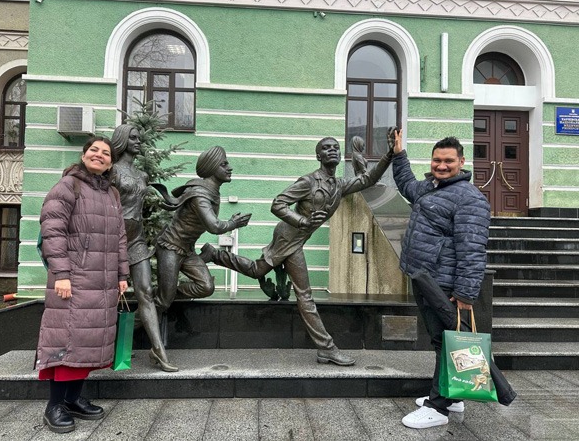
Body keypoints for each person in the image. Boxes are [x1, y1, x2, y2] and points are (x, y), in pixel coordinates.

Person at [200, 136, 393, 366]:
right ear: (318, 156)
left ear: (341, 155)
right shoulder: (308, 181)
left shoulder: (339, 185)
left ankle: (214, 254)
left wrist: (390, 153)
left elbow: (368, 179)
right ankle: (327, 349)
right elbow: (277, 204)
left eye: (335, 148)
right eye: (326, 148)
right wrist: (303, 221)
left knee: (257, 270)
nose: (332, 150)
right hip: (288, 237)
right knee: (304, 294)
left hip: (297, 239)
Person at [391, 130, 492, 429]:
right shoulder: (430, 188)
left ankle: (438, 407)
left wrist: (465, 293)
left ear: (462, 162)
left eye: (448, 160)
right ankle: (453, 396)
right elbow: (407, 185)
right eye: (437, 160)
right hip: (425, 278)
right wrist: (399, 155)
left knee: (447, 342)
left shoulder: (469, 198)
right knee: (442, 340)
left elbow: (472, 249)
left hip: (444, 284)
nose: (442, 165)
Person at [35, 136, 129, 434]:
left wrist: (122, 275)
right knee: (67, 341)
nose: (99, 155)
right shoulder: (68, 186)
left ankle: (73, 399)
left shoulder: (112, 193)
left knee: (89, 343)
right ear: (84, 154)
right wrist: (61, 274)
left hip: (102, 282)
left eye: (105, 153)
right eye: (94, 150)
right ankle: (54, 406)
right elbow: (53, 231)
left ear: (110, 162)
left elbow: (120, 237)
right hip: (73, 281)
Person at [153, 146, 251, 333]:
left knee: (206, 287)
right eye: (224, 164)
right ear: (212, 168)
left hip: (187, 250)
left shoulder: (211, 192)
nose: (229, 168)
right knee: (163, 301)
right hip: (170, 247)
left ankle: (164, 292)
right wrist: (233, 223)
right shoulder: (200, 195)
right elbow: (214, 226)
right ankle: (128, 329)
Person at [110, 124, 178, 373]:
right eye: (133, 138)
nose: (138, 141)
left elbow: (140, 205)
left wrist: (166, 203)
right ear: (122, 140)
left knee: (146, 291)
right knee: (107, 294)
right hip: (112, 239)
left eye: (139, 138)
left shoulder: (142, 175)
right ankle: (105, 346)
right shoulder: (112, 171)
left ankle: (159, 351)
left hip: (136, 239)